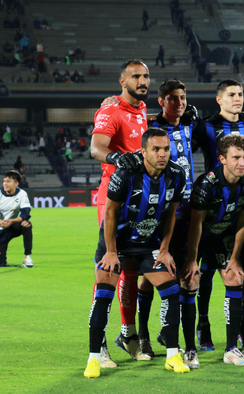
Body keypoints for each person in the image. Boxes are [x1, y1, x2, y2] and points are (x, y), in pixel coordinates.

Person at [83, 127, 188, 378]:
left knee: (172, 290)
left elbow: (171, 214)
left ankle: (173, 355)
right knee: (104, 295)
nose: (162, 154)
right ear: (143, 152)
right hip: (116, 244)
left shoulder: (176, 174)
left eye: (166, 149)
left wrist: (164, 250)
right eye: (156, 149)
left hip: (148, 245)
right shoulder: (126, 173)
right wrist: (110, 252)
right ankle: (94, 358)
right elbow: (110, 214)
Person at [135, 79, 201, 365]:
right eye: (173, 98)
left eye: (183, 97)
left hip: (186, 209)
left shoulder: (190, 124)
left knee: (186, 273)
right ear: (161, 101)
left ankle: (171, 333)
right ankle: (142, 335)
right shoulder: (150, 127)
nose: (180, 102)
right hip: (159, 209)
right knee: (151, 277)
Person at [90, 59, 150, 366]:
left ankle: (127, 334)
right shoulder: (111, 110)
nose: (142, 81)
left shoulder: (140, 110)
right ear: (122, 81)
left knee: (132, 269)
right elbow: (96, 147)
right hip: (113, 197)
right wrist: (117, 157)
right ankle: (97, 345)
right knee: (108, 266)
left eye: (145, 76)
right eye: (135, 76)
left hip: (138, 198)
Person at [179, 134, 244, 365]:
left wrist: (236, 258)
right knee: (191, 280)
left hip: (224, 237)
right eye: (236, 157)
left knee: (235, 277)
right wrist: (192, 259)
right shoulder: (207, 184)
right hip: (197, 238)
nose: (242, 163)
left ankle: (231, 349)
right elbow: (196, 225)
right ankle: (190, 350)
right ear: (222, 158)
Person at [192, 80, 244, 351]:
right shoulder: (205, 126)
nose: (237, 99)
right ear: (219, 99)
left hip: (243, 201)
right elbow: (179, 136)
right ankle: (203, 325)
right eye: (231, 94)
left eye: (241, 94)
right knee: (204, 274)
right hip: (212, 205)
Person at [0, 170, 33, 268]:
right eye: (4, 181)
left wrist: (11, 221)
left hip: (12, 226)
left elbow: (26, 213)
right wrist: (2, 222)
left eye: (8, 181)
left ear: (16, 183)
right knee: (0, 263)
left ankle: (27, 257)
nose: (5, 183)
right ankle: (0, 259)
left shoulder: (22, 194)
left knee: (27, 224)